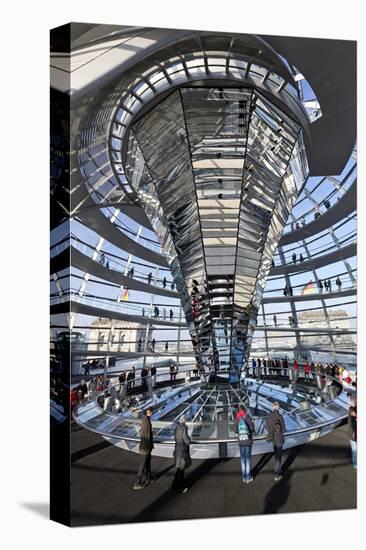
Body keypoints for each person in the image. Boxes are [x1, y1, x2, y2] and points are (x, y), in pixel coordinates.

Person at [134, 408, 155, 489]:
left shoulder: (145, 419)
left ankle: (149, 478)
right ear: (148, 412)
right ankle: (137, 482)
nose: (152, 413)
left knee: (147, 463)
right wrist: (149, 446)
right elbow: (147, 436)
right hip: (145, 447)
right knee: (143, 464)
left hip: (144, 446)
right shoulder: (147, 422)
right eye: (151, 412)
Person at [234, 405, 255, 483]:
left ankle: (244, 477)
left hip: (241, 441)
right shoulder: (247, 417)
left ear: (239, 410)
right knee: (248, 459)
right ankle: (248, 477)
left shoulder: (237, 418)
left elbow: (235, 430)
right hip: (248, 440)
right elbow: (252, 429)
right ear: (244, 410)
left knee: (243, 459)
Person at [266, 401, 286, 481]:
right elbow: (283, 430)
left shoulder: (269, 416)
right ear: (278, 407)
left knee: (276, 456)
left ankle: (278, 469)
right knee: (278, 457)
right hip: (279, 439)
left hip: (273, 438)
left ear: (273, 407)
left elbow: (267, 425)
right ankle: (277, 474)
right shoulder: (280, 416)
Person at [172, 415, 191, 494]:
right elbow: (185, 438)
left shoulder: (177, 427)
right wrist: (189, 441)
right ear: (184, 421)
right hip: (183, 450)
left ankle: (174, 483)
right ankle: (180, 487)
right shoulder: (184, 427)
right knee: (181, 469)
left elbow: (175, 438)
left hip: (177, 449)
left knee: (179, 468)